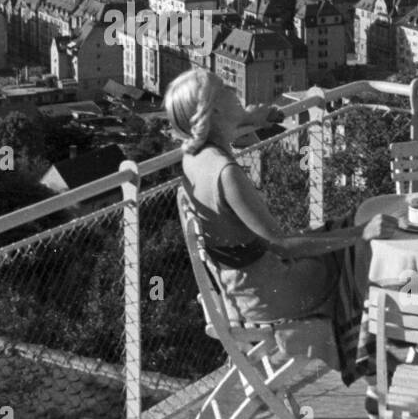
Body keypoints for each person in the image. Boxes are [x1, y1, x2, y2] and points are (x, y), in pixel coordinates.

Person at [164, 68, 387, 328]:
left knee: (344, 227)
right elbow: (281, 244)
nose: (233, 90)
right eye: (224, 88)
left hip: (240, 287)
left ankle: (357, 344)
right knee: (359, 252)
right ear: (213, 112)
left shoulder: (194, 156)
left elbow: (220, 133)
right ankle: (363, 351)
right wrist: (362, 233)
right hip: (269, 293)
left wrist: (250, 118)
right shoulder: (227, 174)